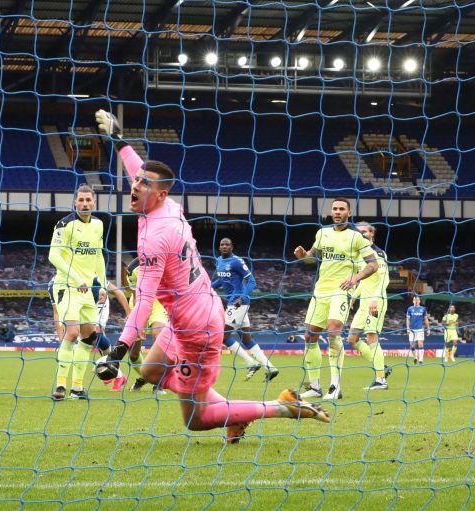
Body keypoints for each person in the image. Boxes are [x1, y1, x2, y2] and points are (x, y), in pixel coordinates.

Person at [91, 109, 329, 444]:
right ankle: (230, 411)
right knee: (150, 370)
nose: (135, 185)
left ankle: (281, 407)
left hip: (196, 331)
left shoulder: (155, 237)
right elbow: (141, 172)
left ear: (159, 194)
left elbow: (143, 301)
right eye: (136, 181)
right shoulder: (167, 207)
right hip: (194, 311)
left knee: (197, 420)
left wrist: (117, 351)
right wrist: (119, 142)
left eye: (143, 184)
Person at [293, 198, 378, 401]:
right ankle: (315, 387)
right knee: (310, 336)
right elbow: (311, 257)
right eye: (335, 209)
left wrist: (355, 278)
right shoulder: (322, 233)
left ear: (349, 213)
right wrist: (303, 255)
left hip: (341, 290)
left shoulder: (356, 237)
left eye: (341, 209)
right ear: (331, 212)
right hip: (320, 290)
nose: (337, 212)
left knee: (333, 332)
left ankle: (335, 386)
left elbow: (373, 264)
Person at [48, 184, 107, 400]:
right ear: (75, 202)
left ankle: (77, 388)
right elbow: (53, 256)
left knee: (90, 337)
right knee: (72, 333)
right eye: (81, 200)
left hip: (87, 290)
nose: (84, 204)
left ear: (94, 202)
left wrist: (102, 284)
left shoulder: (98, 225)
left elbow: (98, 255)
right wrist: (75, 277)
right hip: (67, 286)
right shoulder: (64, 224)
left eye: (88, 200)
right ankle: (60, 385)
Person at [212, 238, 278, 381]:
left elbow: (252, 281)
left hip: (238, 303)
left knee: (223, 336)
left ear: (232, 247)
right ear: (219, 247)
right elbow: (221, 281)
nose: (224, 246)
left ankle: (250, 362)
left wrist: (242, 297)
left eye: (227, 244)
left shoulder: (237, 261)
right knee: (247, 339)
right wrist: (207, 288)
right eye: (222, 244)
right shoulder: (219, 261)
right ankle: (271, 368)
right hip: (232, 303)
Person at [346, 223, 393, 391]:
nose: (361, 233)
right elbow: (363, 281)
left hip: (376, 302)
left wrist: (375, 298)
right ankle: (381, 367)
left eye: (364, 231)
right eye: (358, 231)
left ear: (372, 233)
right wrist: (354, 297)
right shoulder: (361, 254)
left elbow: (385, 279)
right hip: (364, 304)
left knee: (371, 337)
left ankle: (381, 380)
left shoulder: (378, 253)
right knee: (352, 339)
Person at [120, 256, 169, 394]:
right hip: (139, 303)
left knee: (159, 335)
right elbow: (136, 294)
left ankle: (158, 383)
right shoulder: (133, 268)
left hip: (158, 303)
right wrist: (138, 321)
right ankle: (145, 377)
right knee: (133, 355)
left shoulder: (167, 261)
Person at [92, 277, 130, 390]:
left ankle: (116, 374)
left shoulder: (97, 278)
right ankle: (114, 371)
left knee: (96, 334)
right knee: (97, 341)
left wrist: (128, 312)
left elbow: (118, 292)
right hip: (85, 307)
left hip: (99, 309)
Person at [406, 294, 430, 364]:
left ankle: (421, 360)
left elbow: (425, 319)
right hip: (412, 330)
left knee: (420, 344)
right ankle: (415, 357)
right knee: (412, 346)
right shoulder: (410, 309)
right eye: (415, 300)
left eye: (417, 300)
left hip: (420, 329)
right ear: (413, 301)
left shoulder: (423, 309)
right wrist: (407, 328)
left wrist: (428, 329)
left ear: (419, 301)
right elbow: (408, 319)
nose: (416, 301)